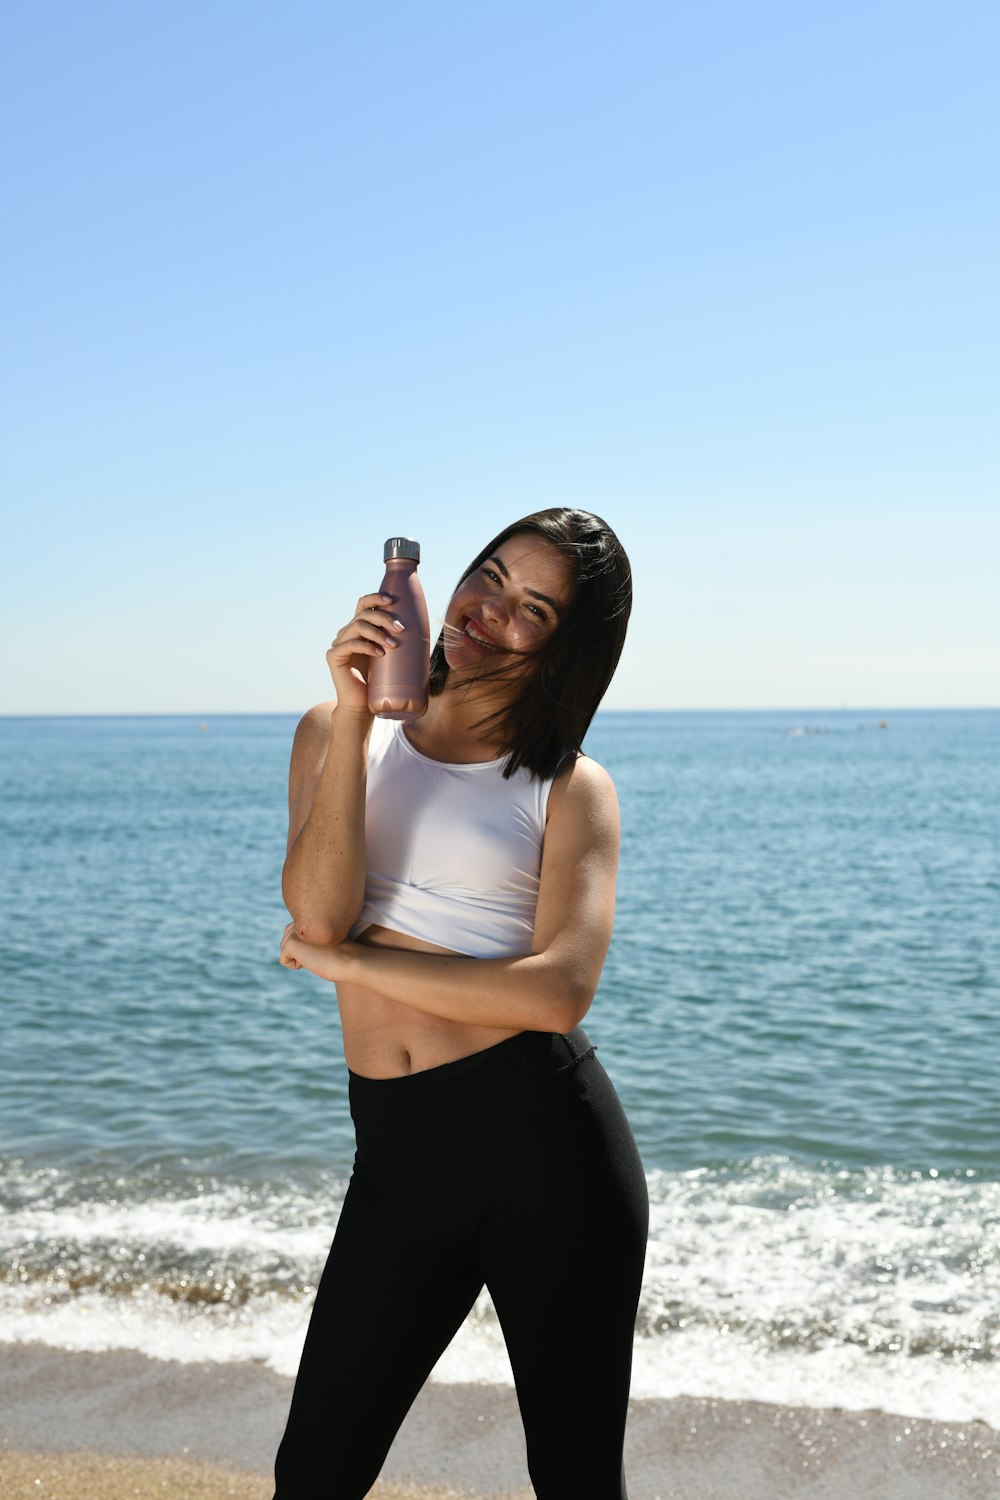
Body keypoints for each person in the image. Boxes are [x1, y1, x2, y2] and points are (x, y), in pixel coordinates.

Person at [273, 508, 648, 1500]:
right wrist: (356, 715)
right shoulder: (329, 733)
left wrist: (356, 969)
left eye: (533, 610)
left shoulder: (568, 786)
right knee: (313, 1474)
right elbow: (316, 915)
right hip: (397, 1158)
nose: (490, 612)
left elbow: (559, 993)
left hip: (546, 1153)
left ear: (563, 649)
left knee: (573, 1481)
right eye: (490, 577)